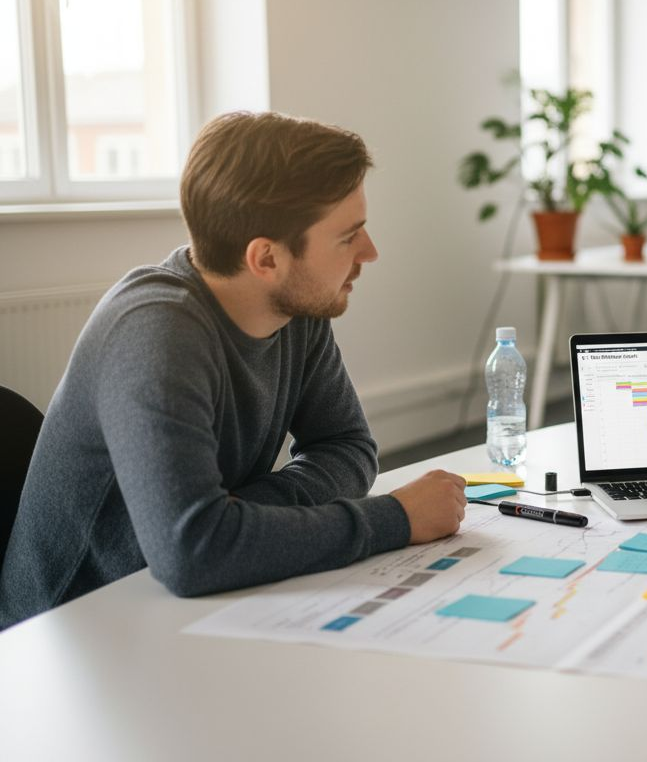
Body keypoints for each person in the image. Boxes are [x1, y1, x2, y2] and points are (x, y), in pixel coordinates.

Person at [0, 112, 468, 629]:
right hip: (68, 635)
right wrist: (398, 519)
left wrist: (245, 516)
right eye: (348, 236)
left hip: (185, 608)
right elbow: (194, 553)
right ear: (266, 258)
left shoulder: (297, 312)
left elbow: (350, 448)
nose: (370, 252)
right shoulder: (154, 330)